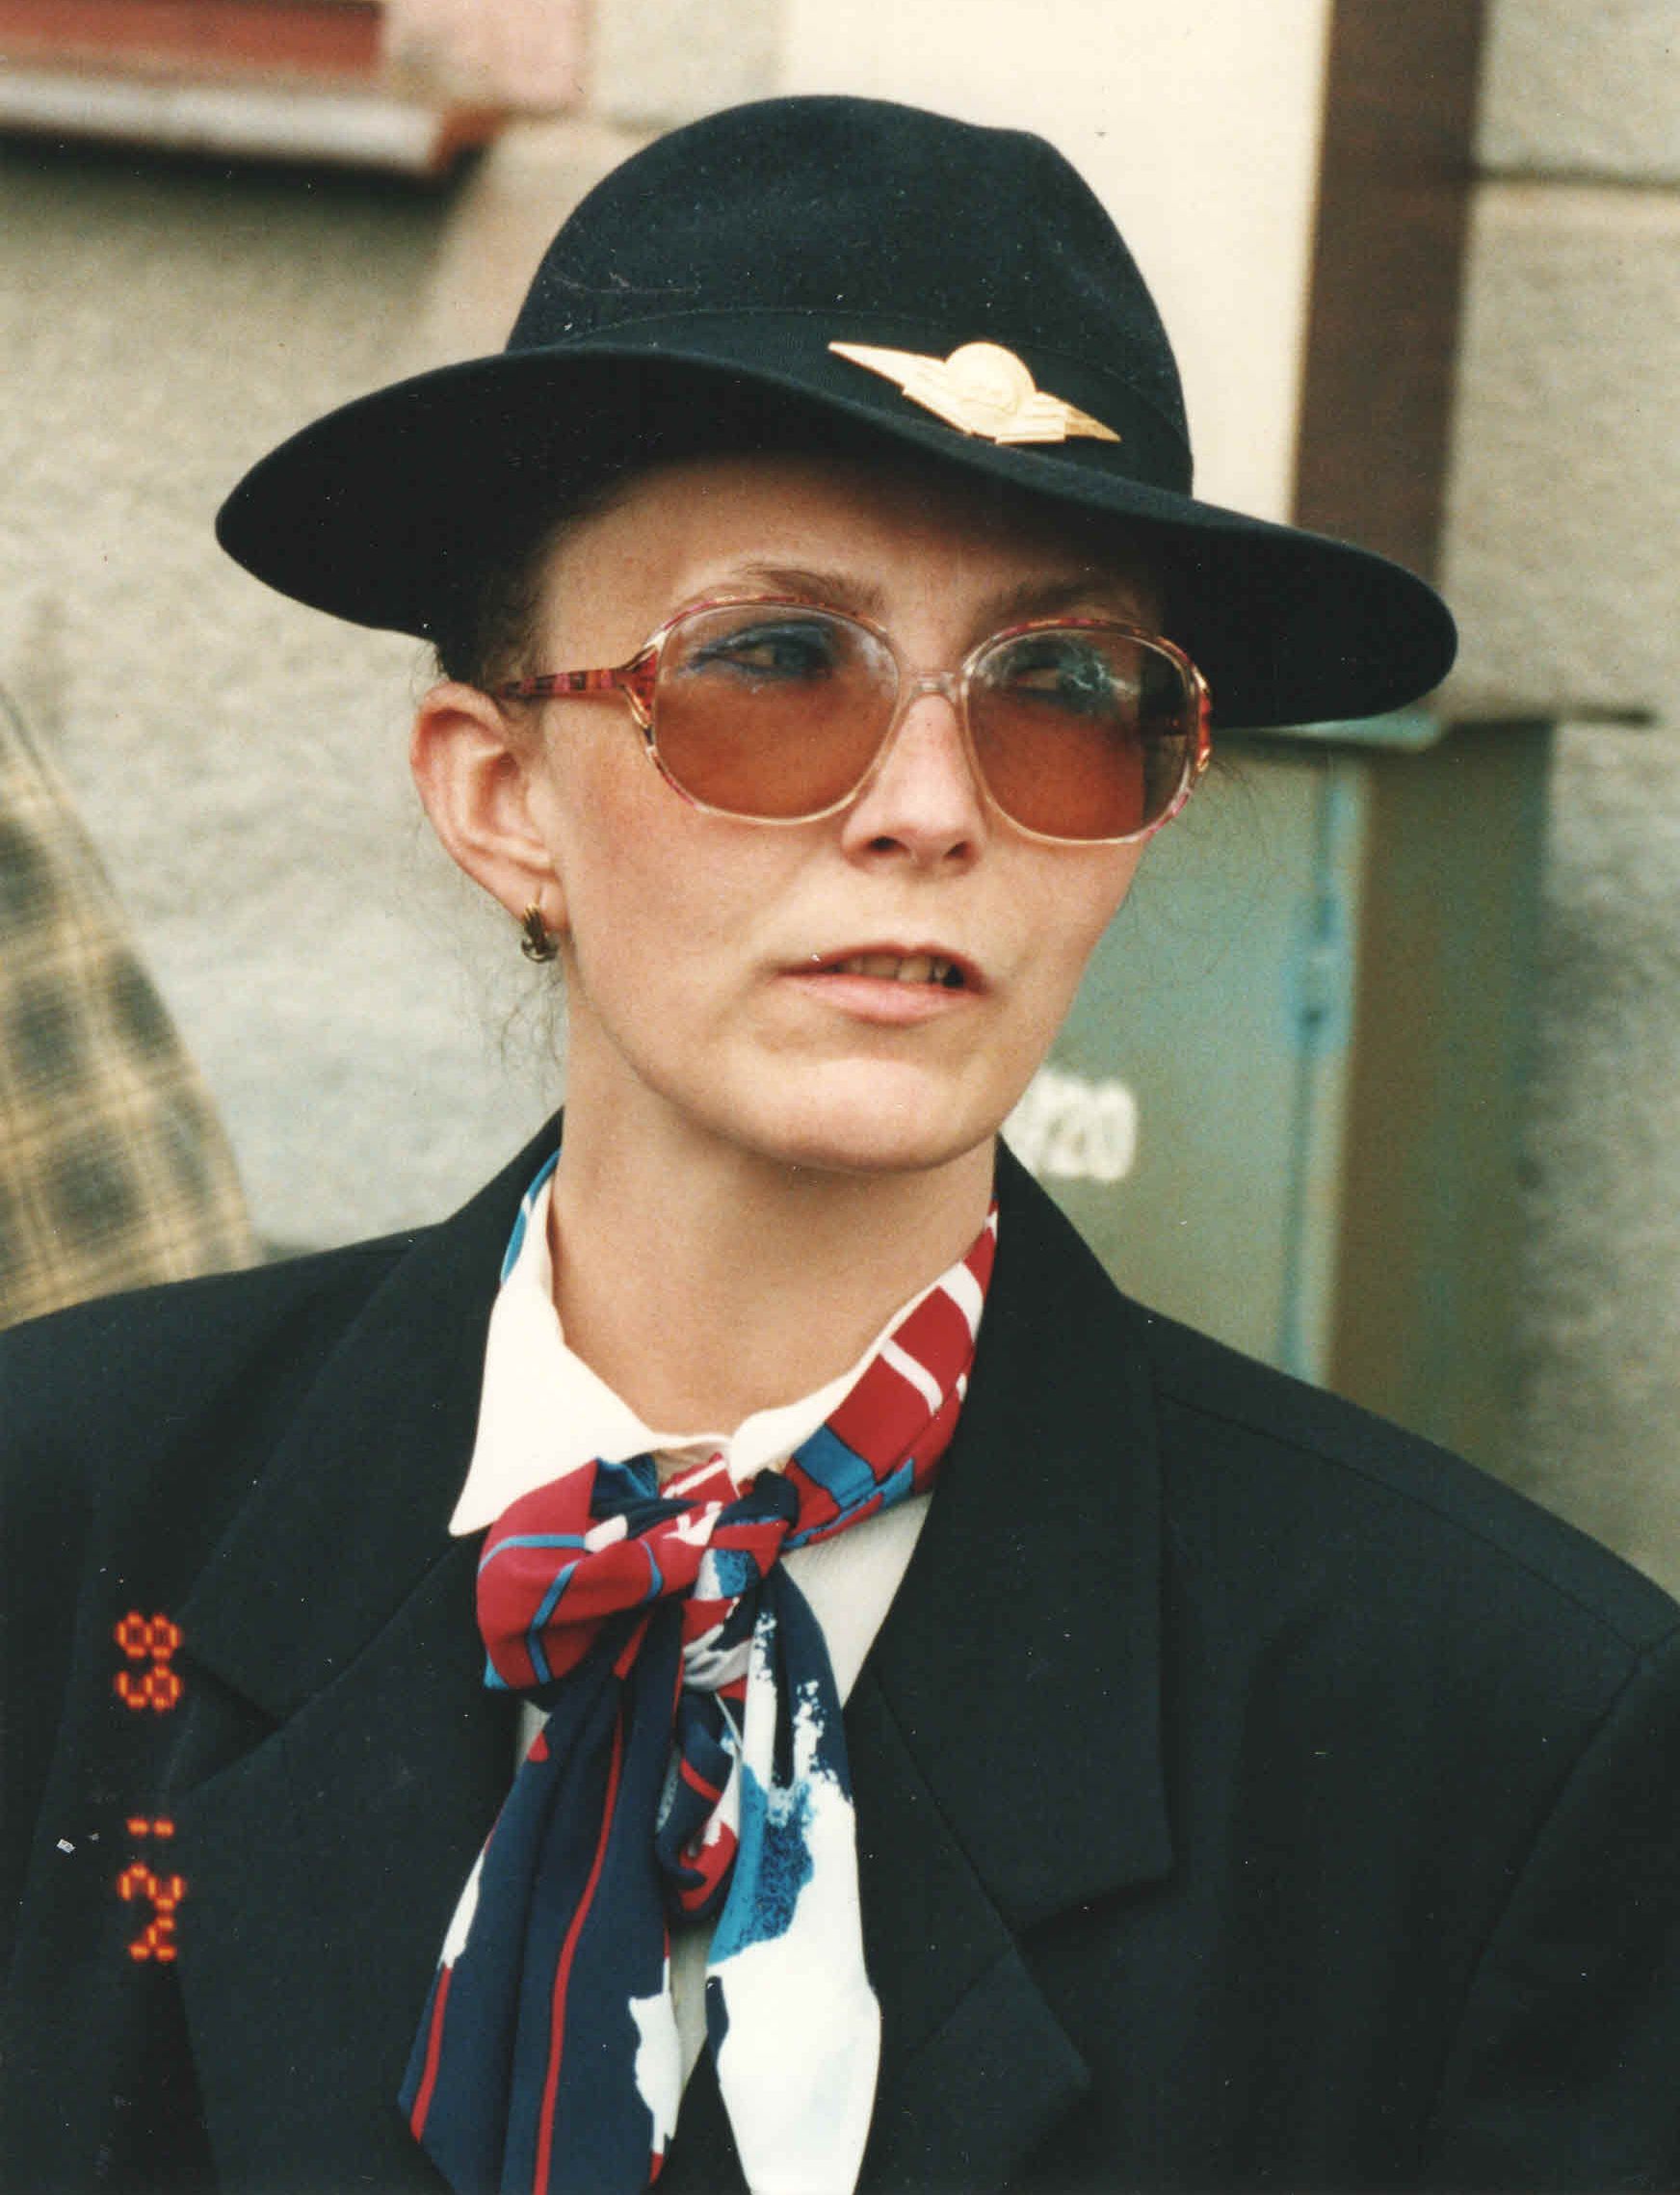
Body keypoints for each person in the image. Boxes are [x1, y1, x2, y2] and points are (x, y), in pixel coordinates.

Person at [4, 95, 1678, 2195]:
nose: (929, 806)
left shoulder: (1494, 1736)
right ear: (500, 796)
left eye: (1061, 688)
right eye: (774, 664)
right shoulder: (62, 1517)